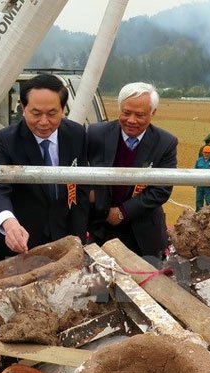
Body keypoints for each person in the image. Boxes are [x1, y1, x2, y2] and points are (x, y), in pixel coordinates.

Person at [0, 74, 89, 260]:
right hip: (19, 242)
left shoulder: (76, 134)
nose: (43, 121)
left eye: (52, 113)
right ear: (23, 108)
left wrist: (78, 238)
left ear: (63, 109)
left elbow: (80, 190)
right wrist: (9, 223)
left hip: (64, 239)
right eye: (36, 113)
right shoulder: (6, 140)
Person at [87, 82, 178, 258]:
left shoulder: (165, 143)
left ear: (153, 113)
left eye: (140, 115)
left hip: (144, 233)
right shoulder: (96, 134)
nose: (131, 120)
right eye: (126, 112)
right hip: (101, 228)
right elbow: (81, 175)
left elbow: (162, 189)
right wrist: (101, 205)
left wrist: (123, 212)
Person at [194, 145, 210, 211]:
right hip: (200, 184)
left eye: (208, 153)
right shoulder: (198, 161)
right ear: (203, 153)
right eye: (205, 152)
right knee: (199, 200)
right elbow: (195, 171)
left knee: (208, 201)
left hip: (209, 185)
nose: (207, 154)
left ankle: (209, 215)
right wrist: (194, 182)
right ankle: (198, 214)